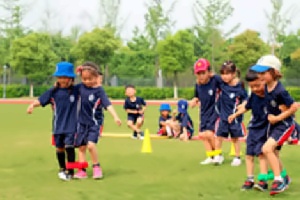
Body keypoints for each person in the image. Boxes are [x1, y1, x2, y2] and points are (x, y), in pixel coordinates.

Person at [251, 54, 298, 195]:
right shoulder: (266, 87)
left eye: (263, 73)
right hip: (274, 125)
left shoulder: (280, 91)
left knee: (266, 149)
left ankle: (278, 181)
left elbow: (294, 107)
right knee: (274, 153)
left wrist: (278, 117)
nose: (260, 76)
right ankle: (284, 177)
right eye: (259, 73)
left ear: (274, 72)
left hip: (284, 124)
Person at [27, 62, 78, 181]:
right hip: (58, 126)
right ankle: (62, 168)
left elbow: (89, 86)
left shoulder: (76, 91)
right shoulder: (53, 92)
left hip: (72, 125)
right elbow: (41, 100)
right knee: (59, 148)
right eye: (60, 77)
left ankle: (70, 171)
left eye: (65, 77)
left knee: (70, 147)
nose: (62, 80)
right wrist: (32, 105)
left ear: (71, 78)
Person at [74, 61, 121, 179]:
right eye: (84, 79)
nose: (87, 81)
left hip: (95, 123)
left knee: (90, 145)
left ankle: (96, 166)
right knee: (82, 147)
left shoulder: (99, 91)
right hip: (81, 123)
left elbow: (108, 104)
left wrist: (115, 116)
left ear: (96, 77)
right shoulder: (80, 87)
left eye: (90, 79)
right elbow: (68, 88)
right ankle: (82, 170)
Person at [228, 69, 269, 191]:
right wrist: (235, 114)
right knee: (249, 154)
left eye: (257, 85)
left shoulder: (270, 96)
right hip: (253, 128)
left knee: (261, 154)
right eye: (252, 87)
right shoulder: (254, 96)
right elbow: (246, 107)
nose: (255, 89)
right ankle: (250, 179)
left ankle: (263, 180)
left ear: (264, 81)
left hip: (265, 128)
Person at [214, 61, 248, 166]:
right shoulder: (222, 84)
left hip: (235, 118)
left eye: (227, 73)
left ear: (233, 74)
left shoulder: (240, 87)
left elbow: (246, 99)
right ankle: (217, 155)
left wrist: (242, 106)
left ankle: (237, 157)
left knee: (235, 138)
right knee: (219, 137)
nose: (224, 76)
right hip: (223, 117)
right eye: (222, 73)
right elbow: (211, 77)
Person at [189, 58, 220, 165]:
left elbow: (223, 83)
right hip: (203, 112)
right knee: (203, 135)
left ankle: (217, 155)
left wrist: (214, 75)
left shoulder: (214, 81)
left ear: (208, 72)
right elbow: (196, 96)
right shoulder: (198, 85)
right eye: (198, 73)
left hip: (214, 111)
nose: (201, 76)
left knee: (210, 134)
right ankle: (210, 156)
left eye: (203, 73)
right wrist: (194, 100)